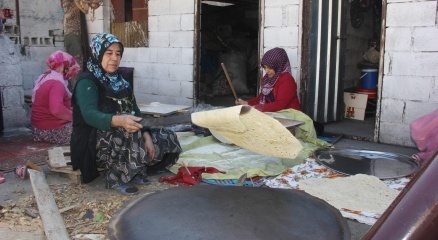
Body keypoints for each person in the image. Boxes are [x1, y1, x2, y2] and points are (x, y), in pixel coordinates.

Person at [70, 33, 182, 195]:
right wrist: (119, 120)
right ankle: (116, 178)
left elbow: (135, 111)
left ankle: (134, 170)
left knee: (167, 135)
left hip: (125, 137)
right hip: (92, 142)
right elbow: (90, 115)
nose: (114, 58)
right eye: (109, 53)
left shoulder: (121, 81)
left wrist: (147, 136)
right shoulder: (87, 81)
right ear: (97, 53)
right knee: (127, 129)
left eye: (118, 54)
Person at [31, 50, 80, 145]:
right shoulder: (56, 83)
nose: (71, 70)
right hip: (49, 130)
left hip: (39, 129)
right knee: (89, 132)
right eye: (69, 66)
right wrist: (76, 117)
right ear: (63, 67)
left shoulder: (46, 77)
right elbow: (57, 110)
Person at [235, 47, 301, 112]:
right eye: (265, 67)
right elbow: (262, 97)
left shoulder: (287, 80)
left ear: (278, 66)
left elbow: (279, 105)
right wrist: (247, 103)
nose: (266, 71)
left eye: (270, 68)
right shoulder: (268, 78)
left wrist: (255, 108)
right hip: (277, 113)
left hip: (290, 115)